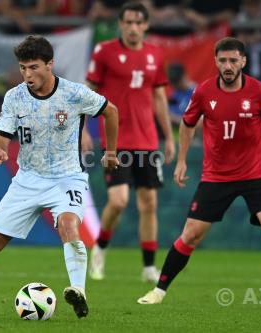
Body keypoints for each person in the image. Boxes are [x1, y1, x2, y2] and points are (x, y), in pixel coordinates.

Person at [0, 35, 119, 319]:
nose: (27, 74)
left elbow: (111, 111)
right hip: (27, 179)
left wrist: (111, 152)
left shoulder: (74, 93)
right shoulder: (14, 97)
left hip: (67, 177)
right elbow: (0, 139)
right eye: (23, 68)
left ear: (50, 64)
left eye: (33, 67)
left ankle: (78, 291)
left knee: (69, 225)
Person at [137, 37, 261, 309]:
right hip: (216, 175)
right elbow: (187, 123)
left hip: (255, 173)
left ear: (243, 61)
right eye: (223, 60)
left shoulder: (259, 91)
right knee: (191, 234)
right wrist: (181, 161)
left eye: (233, 60)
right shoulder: (203, 92)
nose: (228, 65)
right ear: (216, 61)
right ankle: (159, 291)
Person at [83, 1, 175, 283]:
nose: (133, 27)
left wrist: (169, 136)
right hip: (116, 140)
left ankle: (148, 267)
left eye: (138, 22)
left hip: (147, 140)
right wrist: (84, 129)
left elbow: (159, 97)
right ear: (121, 24)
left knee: (149, 204)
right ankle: (99, 248)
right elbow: (89, 91)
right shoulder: (105, 51)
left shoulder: (155, 54)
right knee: (120, 200)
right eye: (128, 22)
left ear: (146, 25)